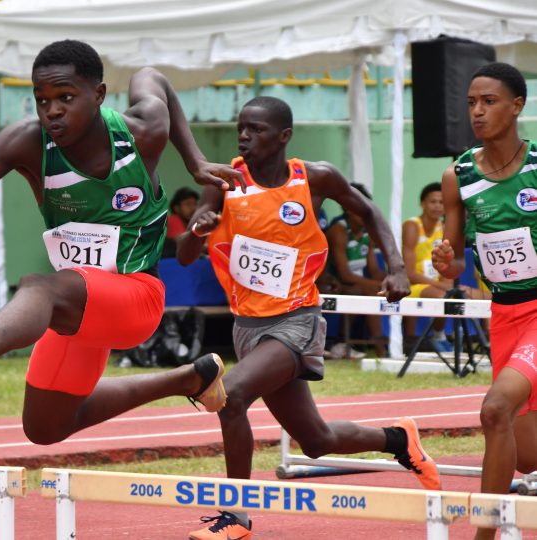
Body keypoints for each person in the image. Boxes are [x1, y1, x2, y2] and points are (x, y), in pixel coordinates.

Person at [0, 40, 247, 447]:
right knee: (44, 428)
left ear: (99, 95)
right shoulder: (29, 142)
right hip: (79, 307)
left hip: (136, 297)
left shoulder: (141, 133)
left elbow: (153, 77)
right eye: (42, 100)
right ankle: (189, 378)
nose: (52, 110)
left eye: (65, 98)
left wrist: (195, 161)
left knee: (39, 285)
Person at [178, 96, 440, 540]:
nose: (244, 136)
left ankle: (235, 519)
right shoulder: (221, 182)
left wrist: (396, 267)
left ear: (284, 136)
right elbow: (186, 256)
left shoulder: (313, 177)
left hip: (296, 319)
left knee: (231, 395)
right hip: (248, 326)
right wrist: (198, 228)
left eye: (256, 129)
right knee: (316, 441)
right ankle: (398, 438)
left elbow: (369, 211)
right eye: (242, 127)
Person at [432, 62, 537, 540]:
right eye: (472, 102)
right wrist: (444, 258)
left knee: (494, 410)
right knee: (527, 451)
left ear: (517, 106)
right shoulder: (459, 174)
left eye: (489, 101)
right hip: (504, 315)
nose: (477, 111)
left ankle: (483, 535)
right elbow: (453, 266)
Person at [326, 182, 387, 358]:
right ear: (349, 209)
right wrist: (377, 284)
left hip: (357, 281)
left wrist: (391, 277)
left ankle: (396, 343)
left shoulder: (367, 232)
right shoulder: (339, 230)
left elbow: (374, 269)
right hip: (333, 281)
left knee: (388, 289)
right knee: (372, 292)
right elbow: (344, 274)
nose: (367, 213)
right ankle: (379, 350)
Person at [402, 182, 455, 350]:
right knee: (442, 296)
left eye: (441, 202)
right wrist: (444, 285)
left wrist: (447, 283)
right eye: (433, 202)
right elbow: (409, 273)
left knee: (477, 295)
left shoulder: (445, 228)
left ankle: (487, 341)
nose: (437, 206)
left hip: (433, 284)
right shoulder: (412, 226)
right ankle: (416, 340)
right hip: (410, 285)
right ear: (422, 204)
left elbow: (448, 264)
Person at [162, 186, 200, 257]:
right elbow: (185, 244)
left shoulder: (195, 222)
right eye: (188, 204)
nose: (193, 208)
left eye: (195, 204)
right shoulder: (173, 220)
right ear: (177, 208)